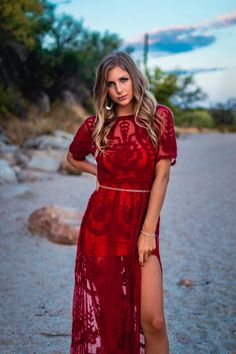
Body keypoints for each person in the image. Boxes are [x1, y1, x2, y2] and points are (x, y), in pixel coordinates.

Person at [67, 50, 177, 354]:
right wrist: (98, 172)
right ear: (105, 90)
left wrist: (148, 232)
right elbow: (72, 157)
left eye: (124, 79)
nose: (120, 89)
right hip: (101, 227)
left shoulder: (159, 117)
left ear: (135, 77)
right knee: (112, 319)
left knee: (153, 320)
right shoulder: (96, 126)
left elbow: (162, 177)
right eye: (111, 84)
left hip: (142, 225)